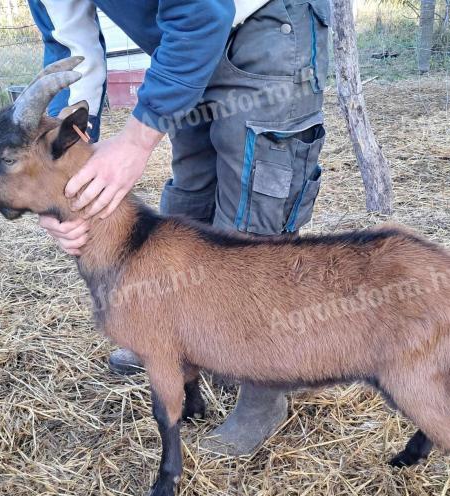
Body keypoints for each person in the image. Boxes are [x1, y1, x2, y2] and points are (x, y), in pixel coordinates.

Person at [28, 0, 330, 455]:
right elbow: (73, 54)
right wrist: (59, 185)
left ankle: (263, 396)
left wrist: (135, 141)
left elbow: (203, 13)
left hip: (264, 22)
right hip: (182, 39)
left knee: (251, 223)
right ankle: (181, 340)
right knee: (191, 195)